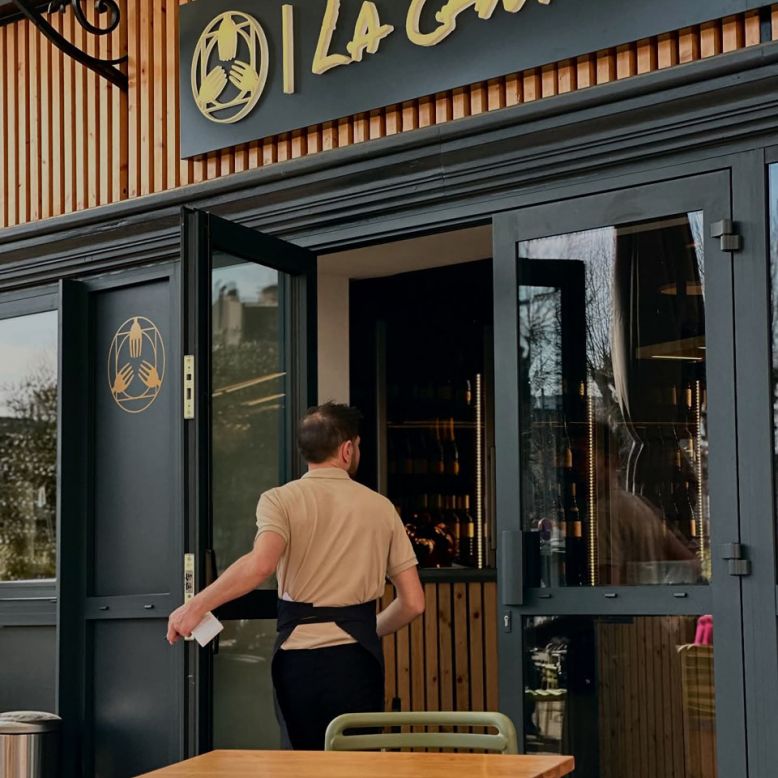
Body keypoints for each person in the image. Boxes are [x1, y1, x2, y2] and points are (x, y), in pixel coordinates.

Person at [167, 402, 425, 750]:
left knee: (301, 764)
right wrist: (363, 627)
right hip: (356, 660)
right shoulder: (380, 507)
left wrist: (195, 605)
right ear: (348, 449)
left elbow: (260, 565)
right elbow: (413, 603)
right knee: (358, 768)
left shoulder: (279, 500)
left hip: (297, 658)